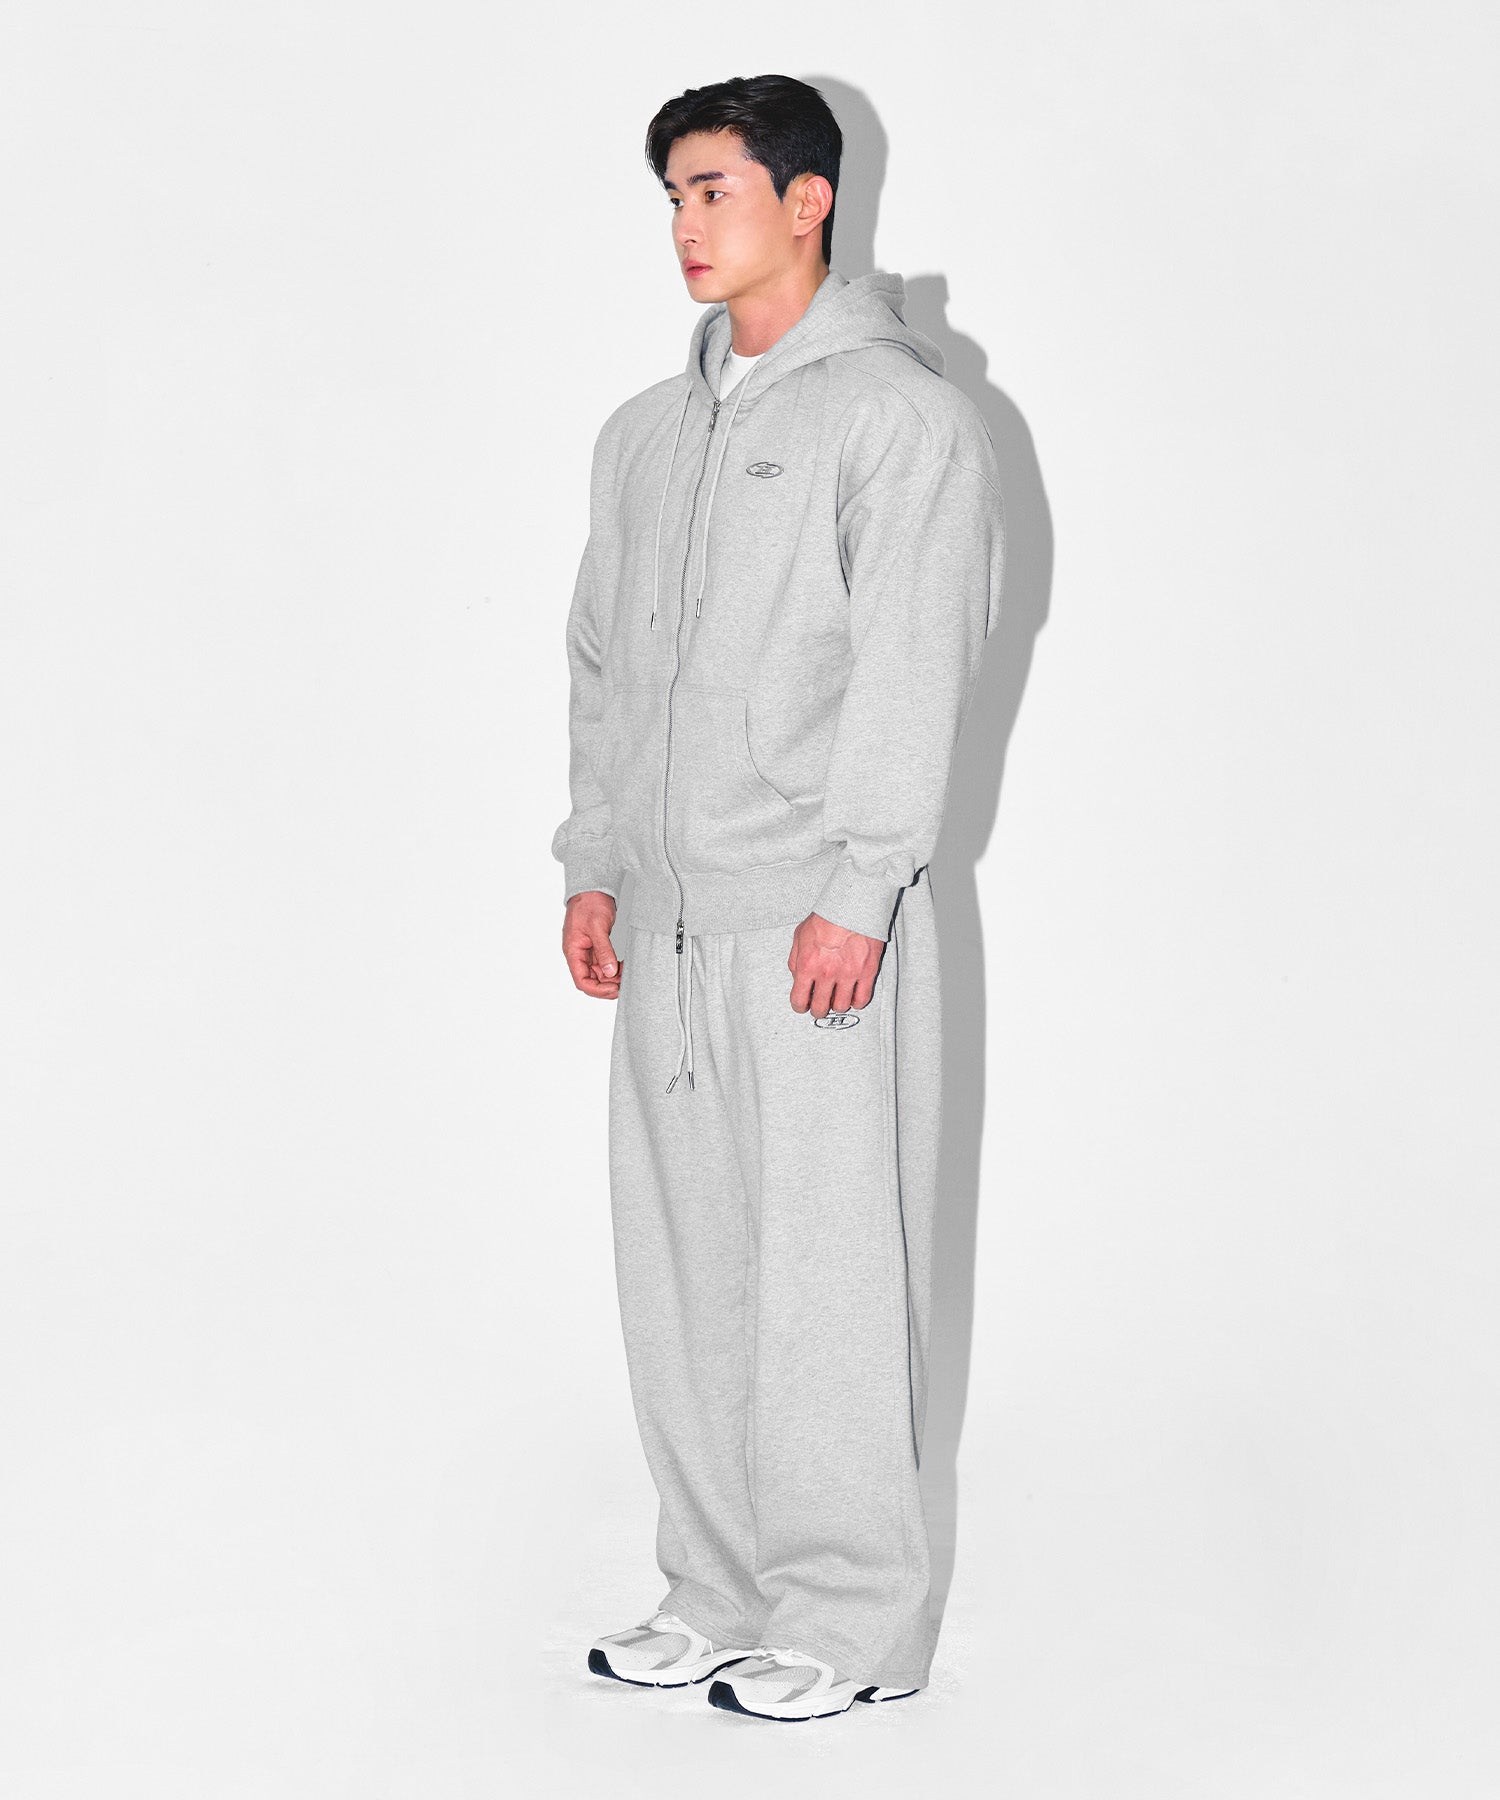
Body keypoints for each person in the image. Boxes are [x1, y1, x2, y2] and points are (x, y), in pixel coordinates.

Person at [550, 73, 1005, 1724]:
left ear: (807, 200)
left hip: (819, 915)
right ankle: (718, 1589)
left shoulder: (896, 419)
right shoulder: (644, 436)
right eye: (673, 195)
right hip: (670, 921)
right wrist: (599, 860)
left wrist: (861, 887)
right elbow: (602, 663)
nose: (687, 224)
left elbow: (911, 665)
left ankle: (854, 1622)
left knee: (828, 1282)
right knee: (686, 1274)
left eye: (716, 190)